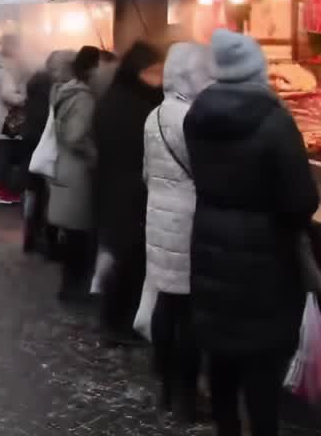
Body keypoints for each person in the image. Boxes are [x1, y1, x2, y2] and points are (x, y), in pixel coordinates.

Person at [185, 29, 320, 436]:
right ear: (256, 70)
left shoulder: (196, 116)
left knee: (222, 359)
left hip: (209, 246)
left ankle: (226, 428)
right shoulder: (275, 121)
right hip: (266, 260)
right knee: (262, 370)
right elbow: (301, 200)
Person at [142, 42, 214, 423]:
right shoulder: (191, 118)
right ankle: (186, 396)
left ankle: (167, 386)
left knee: (166, 306)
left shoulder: (153, 116)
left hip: (159, 222)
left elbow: (146, 173)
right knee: (188, 316)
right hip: (188, 224)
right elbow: (206, 172)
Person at [90, 40, 164, 346]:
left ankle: (118, 319)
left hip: (121, 188)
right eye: (154, 71)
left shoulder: (124, 96)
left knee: (126, 257)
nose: (159, 77)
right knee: (127, 258)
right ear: (139, 71)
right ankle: (117, 323)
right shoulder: (126, 103)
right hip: (126, 191)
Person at [49, 46, 100, 303]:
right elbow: (75, 135)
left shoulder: (60, 92)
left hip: (62, 166)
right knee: (79, 233)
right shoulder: (83, 98)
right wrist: (94, 155)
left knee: (70, 232)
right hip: (78, 172)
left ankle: (69, 285)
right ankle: (74, 288)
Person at [21, 50, 67, 256]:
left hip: (30, 140)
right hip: (45, 142)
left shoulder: (33, 81)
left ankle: (29, 232)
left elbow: (26, 110)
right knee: (48, 193)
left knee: (32, 190)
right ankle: (49, 240)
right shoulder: (54, 87)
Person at [0, 34, 26, 205]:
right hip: (6, 117)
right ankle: (1, 192)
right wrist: (23, 97)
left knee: (0, 155)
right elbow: (8, 95)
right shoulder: (5, 72)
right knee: (3, 157)